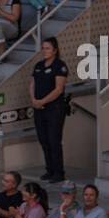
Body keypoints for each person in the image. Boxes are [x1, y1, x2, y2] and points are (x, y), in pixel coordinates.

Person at [31, 36, 68, 184]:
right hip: (38, 108)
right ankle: (49, 170)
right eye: (43, 48)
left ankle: (59, 172)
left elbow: (59, 89)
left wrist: (42, 101)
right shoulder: (39, 65)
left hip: (54, 108)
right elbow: (32, 83)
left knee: (54, 140)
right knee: (43, 139)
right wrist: (34, 100)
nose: (44, 51)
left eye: (47, 48)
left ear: (55, 50)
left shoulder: (60, 66)